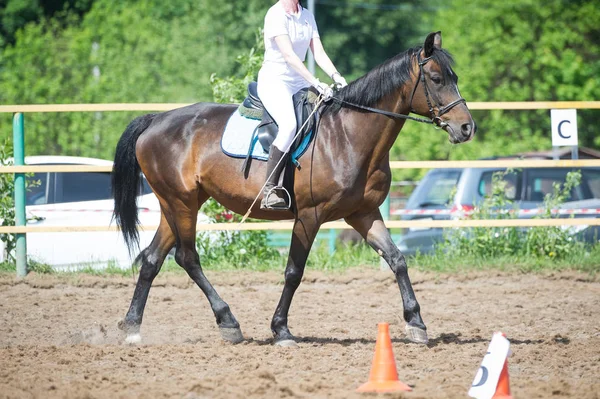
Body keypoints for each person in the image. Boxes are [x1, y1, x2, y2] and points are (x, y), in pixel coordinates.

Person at [258, 0, 347, 210]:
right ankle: (269, 188)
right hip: (275, 80)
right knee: (289, 125)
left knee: (331, 111)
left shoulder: (306, 16)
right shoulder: (275, 15)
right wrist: (316, 82)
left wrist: (336, 76)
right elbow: (289, 56)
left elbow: (319, 53)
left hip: (300, 81)